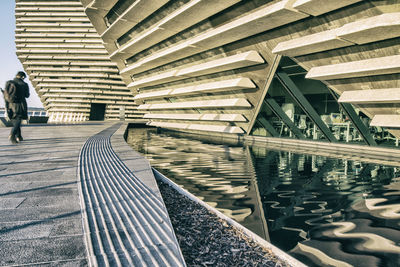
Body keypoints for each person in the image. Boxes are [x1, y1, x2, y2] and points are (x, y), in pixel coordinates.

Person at [3, 71, 30, 144]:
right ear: (23, 77)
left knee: (15, 120)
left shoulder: (10, 83)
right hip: (19, 104)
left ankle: (19, 136)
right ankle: (12, 135)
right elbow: (27, 95)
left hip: (10, 104)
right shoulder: (24, 84)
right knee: (18, 119)